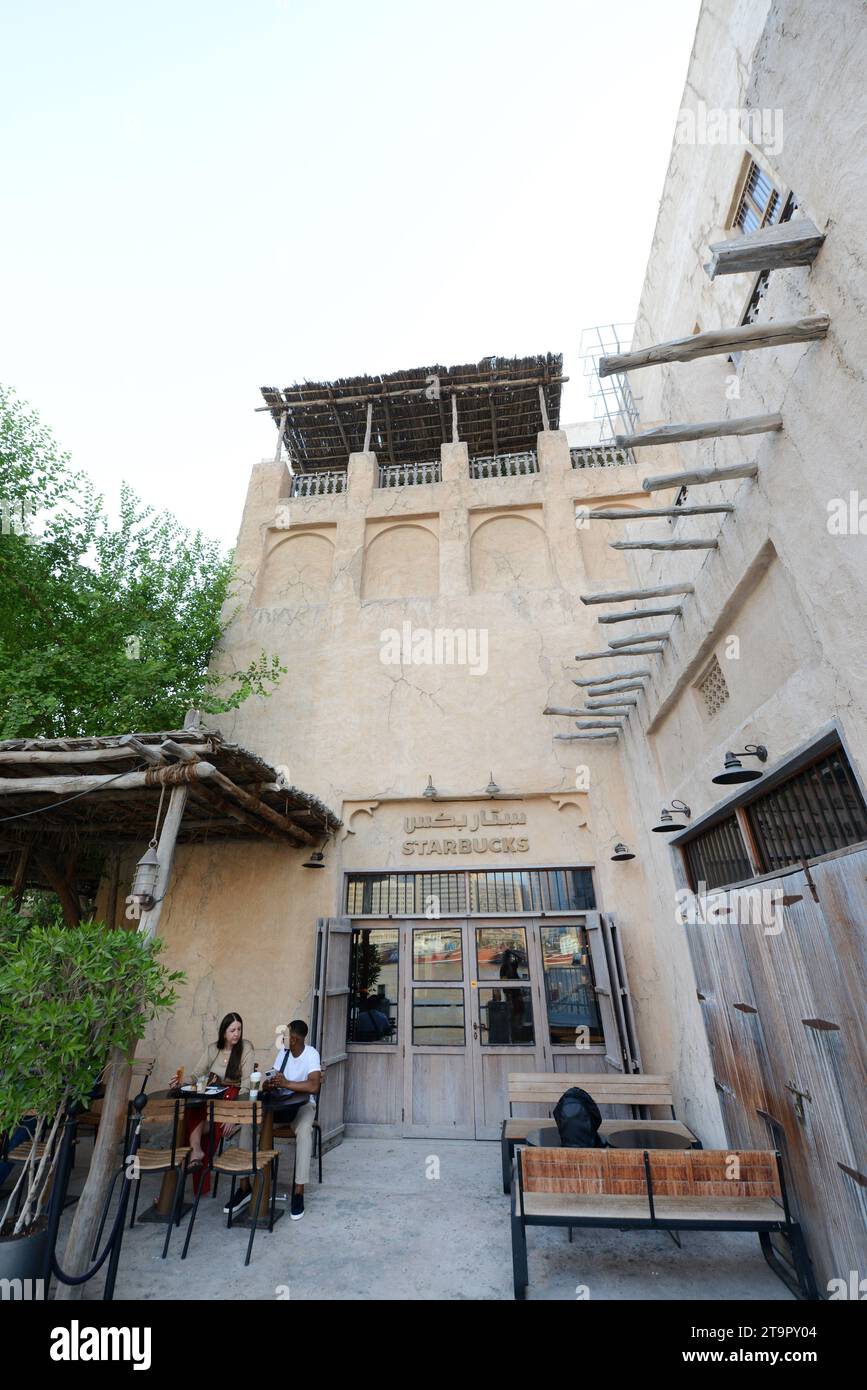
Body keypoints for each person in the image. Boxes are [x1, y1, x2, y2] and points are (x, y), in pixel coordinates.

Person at [169, 1012, 254, 1167]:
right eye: (232, 1030)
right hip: (212, 1095)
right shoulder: (213, 1049)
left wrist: (232, 1113)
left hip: (233, 1097)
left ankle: (194, 1154)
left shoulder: (246, 1048)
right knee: (192, 1110)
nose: (236, 1034)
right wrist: (180, 1082)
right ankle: (196, 1150)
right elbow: (195, 1075)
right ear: (223, 1032)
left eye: (239, 1029)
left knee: (196, 1121)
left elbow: (247, 1084)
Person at [264, 1019, 322, 1221]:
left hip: (303, 1107)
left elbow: (314, 1086)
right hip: (281, 1107)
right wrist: (270, 1083)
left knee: (304, 1132)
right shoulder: (284, 1054)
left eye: (287, 1035)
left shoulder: (311, 1054)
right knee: (252, 1124)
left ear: (295, 1039)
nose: (284, 1038)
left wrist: (287, 1083)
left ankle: (298, 1190)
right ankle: (248, 1187)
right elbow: (275, 1077)